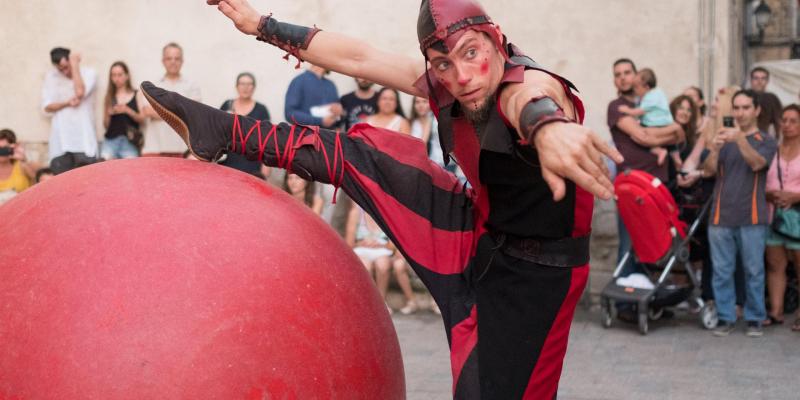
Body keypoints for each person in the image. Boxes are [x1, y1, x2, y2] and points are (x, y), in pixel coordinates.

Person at [142, 0, 623, 397]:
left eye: (471, 53)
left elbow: (531, 98)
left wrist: (549, 128)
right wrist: (262, 25)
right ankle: (223, 130)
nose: (462, 75)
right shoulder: (446, 78)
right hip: (473, 231)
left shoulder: (530, 85)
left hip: (537, 280)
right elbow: (360, 59)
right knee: (363, 153)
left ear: (497, 41)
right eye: (443, 64)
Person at [607, 59, 684, 320]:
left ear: (637, 76)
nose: (623, 78)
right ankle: (623, 304)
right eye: (618, 75)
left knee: (654, 244)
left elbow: (680, 135)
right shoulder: (617, 107)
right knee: (629, 244)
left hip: (657, 186)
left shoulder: (649, 102)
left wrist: (672, 132)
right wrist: (670, 132)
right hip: (632, 186)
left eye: (627, 72)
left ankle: (650, 301)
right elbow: (644, 137)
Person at [703, 89, 777, 338]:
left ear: (756, 110)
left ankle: (755, 318)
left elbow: (758, 164)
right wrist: (715, 149)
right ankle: (725, 317)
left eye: (746, 107)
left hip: (752, 217)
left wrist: (740, 140)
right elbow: (708, 172)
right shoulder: (724, 139)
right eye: (737, 107)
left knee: (754, 271)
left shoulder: (766, 140)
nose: (740, 112)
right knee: (722, 271)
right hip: (720, 216)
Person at [764, 104, 800, 330]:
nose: (787, 125)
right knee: (775, 264)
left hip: (797, 216)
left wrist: (795, 197)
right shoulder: (773, 150)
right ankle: (776, 311)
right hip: (773, 216)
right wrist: (770, 194)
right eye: (784, 120)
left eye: (793, 121)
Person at [41, 47, 99, 173]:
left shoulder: (89, 74)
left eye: (66, 67)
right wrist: (66, 103)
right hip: (60, 144)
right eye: (60, 69)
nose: (64, 72)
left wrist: (74, 65)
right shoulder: (51, 77)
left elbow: (80, 92)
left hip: (84, 142)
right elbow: (47, 107)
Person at [140, 43, 201, 157]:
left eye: (177, 58)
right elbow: (147, 111)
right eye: (169, 58)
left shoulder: (192, 85)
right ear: (163, 61)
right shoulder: (153, 84)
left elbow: (193, 113)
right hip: (155, 149)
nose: (173, 61)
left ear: (182, 61)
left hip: (184, 150)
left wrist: (160, 110)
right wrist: (181, 111)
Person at [617, 68, 676, 168]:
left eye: (636, 87)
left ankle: (659, 151)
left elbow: (639, 111)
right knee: (672, 144)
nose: (635, 90)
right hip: (667, 123)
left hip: (656, 124)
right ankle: (676, 156)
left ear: (647, 87)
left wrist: (626, 110)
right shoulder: (658, 93)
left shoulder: (650, 97)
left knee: (637, 136)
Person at [345, 203, 396, 313]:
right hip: (361, 248)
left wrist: (379, 244)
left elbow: (393, 246)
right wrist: (362, 243)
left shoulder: (388, 211)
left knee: (383, 265)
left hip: (382, 249)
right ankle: (367, 303)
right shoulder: (356, 212)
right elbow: (349, 243)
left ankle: (381, 303)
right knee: (365, 267)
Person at [220, 72, 272, 178]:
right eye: (242, 84)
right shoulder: (227, 105)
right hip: (228, 161)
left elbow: (267, 139)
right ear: (236, 86)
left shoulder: (261, 110)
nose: (246, 88)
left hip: (252, 163)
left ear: (254, 87)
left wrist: (267, 165)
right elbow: (217, 132)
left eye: (249, 84)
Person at [102, 61, 145, 160]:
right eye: (113, 75)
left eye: (120, 75)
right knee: (106, 173)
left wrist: (127, 110)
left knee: (129, 173)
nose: (116, 78)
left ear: (127, 76)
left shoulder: (136, 94)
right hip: (110, 141)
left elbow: (142, 119)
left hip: (129, 142)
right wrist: (108, 114)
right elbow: (105, 125)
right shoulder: (109, 96)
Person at [0, 129, 38, 205]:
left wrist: (24, 159)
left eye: (4, 149)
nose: (1, 152)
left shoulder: (22, 165)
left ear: (13, 148)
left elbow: (39, 177)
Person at [750, 67, 783, 138]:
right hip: (743, 136)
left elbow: (779, 120)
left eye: (763, 78)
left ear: (767, 81)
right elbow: (728, 115)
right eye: (756, 78)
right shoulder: (742, 96)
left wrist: (778, 139)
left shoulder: (772, 98)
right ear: (751, 80)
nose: (759, 81)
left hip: (766, 137)